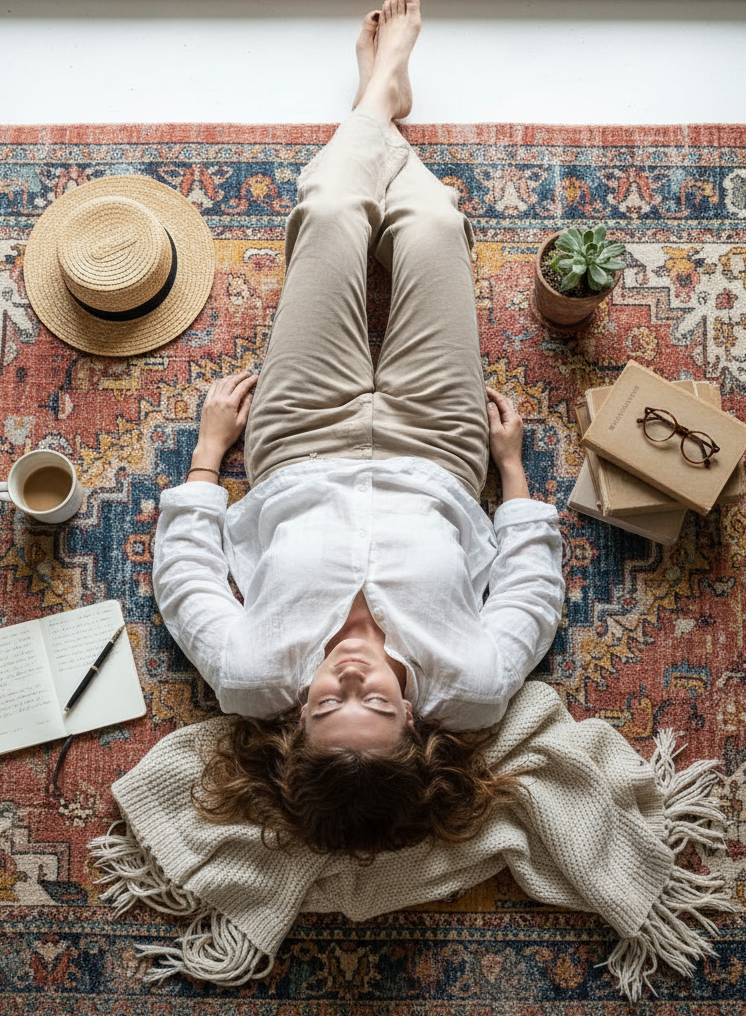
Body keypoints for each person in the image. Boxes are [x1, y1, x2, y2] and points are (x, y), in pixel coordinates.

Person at [152, 0, 565, 860]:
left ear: (293, 728)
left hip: (298, 436)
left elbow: (185, 573)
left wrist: (208, 453)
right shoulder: (476, 687)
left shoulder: (247, 676)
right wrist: (513, 475)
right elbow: (531, 592)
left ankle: (378, 95)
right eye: (373, 706)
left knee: (336, 215)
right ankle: (380, 96)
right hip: (440, 448)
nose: (348, 683)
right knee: (436, 227)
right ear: (414, 723)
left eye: (326, 708)